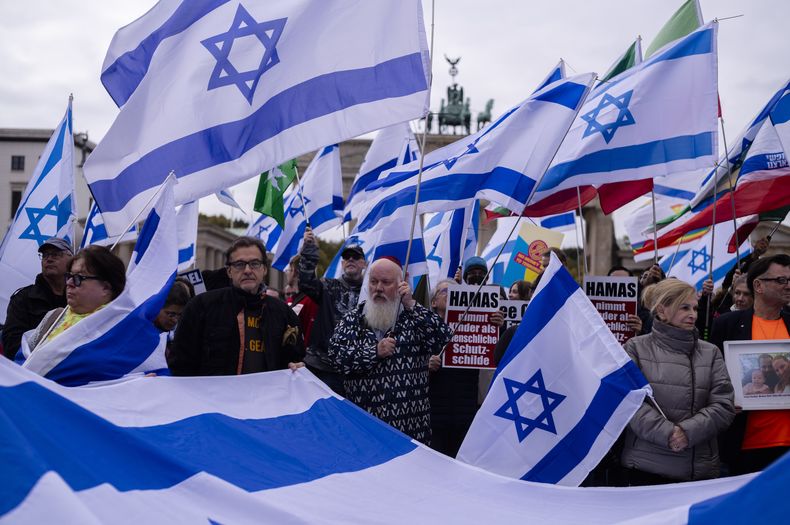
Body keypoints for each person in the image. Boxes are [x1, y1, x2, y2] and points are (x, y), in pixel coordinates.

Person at [620, 279, 735, 484]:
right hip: (647, 469)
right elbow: (628, 402)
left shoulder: (710, 352)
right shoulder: (636, 348)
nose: (693, 315)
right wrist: (668, 434)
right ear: (662, 311)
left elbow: (723, 404)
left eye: (695, 308)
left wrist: (687, 433)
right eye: (684, 307)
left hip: (700, 471)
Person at [327, 257, 452, 444]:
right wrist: (374, 352)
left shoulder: (415, 317)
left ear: (402, 283)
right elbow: (336, 358)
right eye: (373, 281)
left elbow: (443, 340)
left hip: (410, 431)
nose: (378, 288)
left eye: (386, 282)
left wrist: (411, 304)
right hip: (363, 430)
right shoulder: (352, 320)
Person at [168, 237, 304, 376]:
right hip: (213, 390)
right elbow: (180, 363)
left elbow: (295, 357)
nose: (247, 270)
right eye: (239, 264)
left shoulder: (283, 313)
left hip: (268, 390)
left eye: (255, 263)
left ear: (264, 269)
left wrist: (296, 365)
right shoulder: (201, 306)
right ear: (229, 271)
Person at [710, 254, 790, 474]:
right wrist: (725, 399)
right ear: (758, 285)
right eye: (781, 280)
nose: (788, 285)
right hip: (745, 446)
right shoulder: (728, 324)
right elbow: (712, 376)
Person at [298, 228, 366, 395]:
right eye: (346, 257)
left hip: (357, 369)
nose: (350, 259)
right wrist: (309, 250)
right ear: (342, 264)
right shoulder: (328, 286)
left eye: (356, 257)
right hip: (323, 367)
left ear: (364, 264)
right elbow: (305, 282)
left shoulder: (370, 293)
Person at [26, 246, 126, 351]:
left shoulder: (121, 330)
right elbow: (23, 355)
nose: (69, 283)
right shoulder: (54, 317)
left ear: (105, 288)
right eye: (69, 276)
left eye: (79, 278)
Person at [427, 278, 479, 456]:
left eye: (456, 292)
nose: (451, 295)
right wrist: (425, 367)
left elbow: (494, 356)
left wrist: (496, 327)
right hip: (435, 416)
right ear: (434, 302)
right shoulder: (424, 330)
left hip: (466, 414)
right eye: (445, 291)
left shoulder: (475, 329)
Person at [3, 237, 72, 359]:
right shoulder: (23, 298)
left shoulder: (80, 297)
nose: (49, 259)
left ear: (71, 260)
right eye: (45, 255)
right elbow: (11, 345)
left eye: (55, 254)